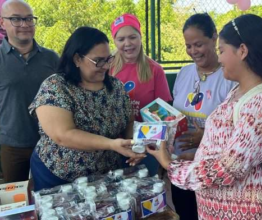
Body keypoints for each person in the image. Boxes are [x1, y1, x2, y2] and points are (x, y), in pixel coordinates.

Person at [148, 14, 262, 219]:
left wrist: (170, 164)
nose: (220, 57)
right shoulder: (240, 91)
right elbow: (229, 149)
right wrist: (196, 157)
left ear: (242, 51)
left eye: (222, 50)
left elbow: (227, 170)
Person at [29, 26, 145, 191]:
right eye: (98, 61)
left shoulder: (116, 86)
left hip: (105, 175)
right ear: (77, 59)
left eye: (108, 59)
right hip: (58, 176)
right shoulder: (56, 87)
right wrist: (111, 144)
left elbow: (129, 122)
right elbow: (64, 135)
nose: (105, 66)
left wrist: (132, 145)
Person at [170, 13, 235, 220]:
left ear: (214, 37)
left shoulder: (230, 78)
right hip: (180, 163)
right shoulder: (183, 73)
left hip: (210, 170)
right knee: (185, 214)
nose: (193, 51)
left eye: (198, 44)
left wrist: (206, 135)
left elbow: (237, 129)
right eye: (188, 46)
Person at [0, 0, 59, 183]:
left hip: (50, 143)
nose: (24, 24)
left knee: (51, 197)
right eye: (16, 19)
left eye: (29, 19)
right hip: (11, 146)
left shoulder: (51, 58)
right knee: (17, 203)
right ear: (3, 23)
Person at [110, 13, 172, 176]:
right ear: (114, 41)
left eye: (132, 37)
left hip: (145, 145)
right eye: (121, 39)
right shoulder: (107, 68)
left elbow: (162, 115)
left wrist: (143, 146)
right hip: (112, 143)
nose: (127, 43)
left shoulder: (155, 69)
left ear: (140, 37)